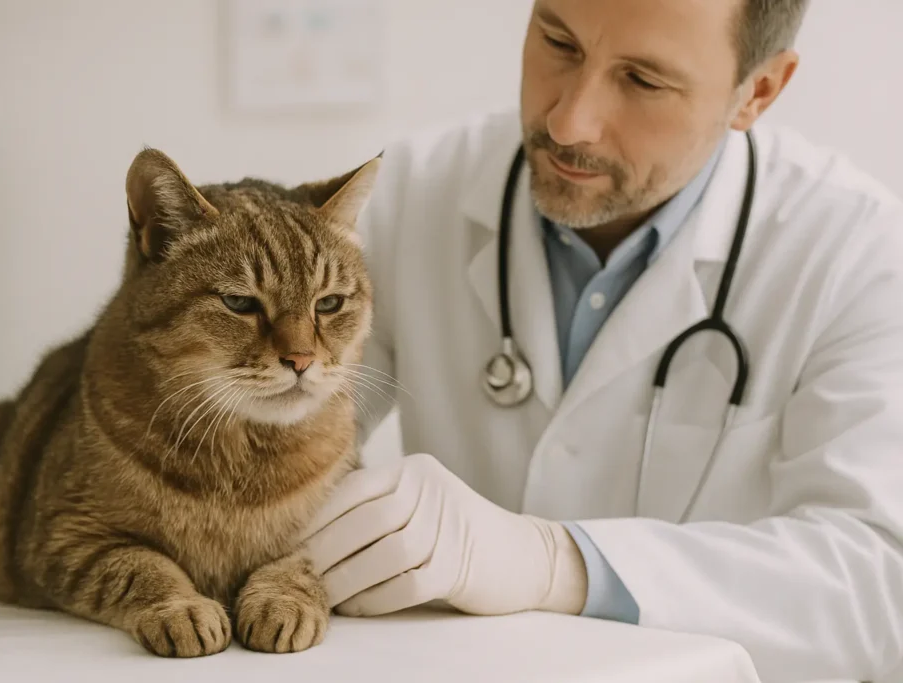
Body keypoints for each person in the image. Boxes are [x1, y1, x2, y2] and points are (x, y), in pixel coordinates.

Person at [300, 1, 903, 681]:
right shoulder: (414, 189)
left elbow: (879, 582)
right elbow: (272, 449)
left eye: (643, 81)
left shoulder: (857, 251)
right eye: (558, 42)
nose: (568, 121)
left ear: (756, 91)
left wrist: (558, 562)